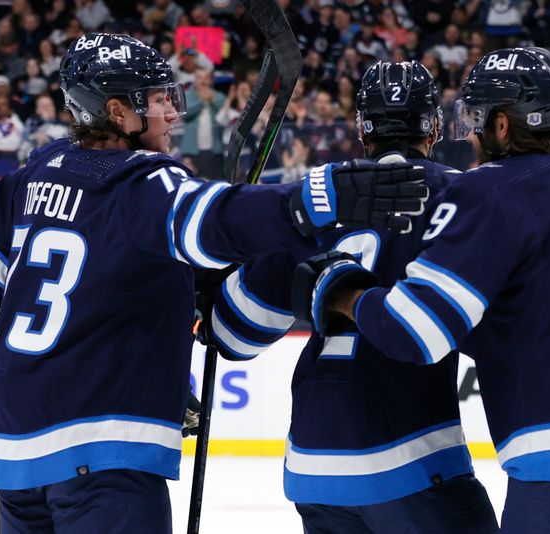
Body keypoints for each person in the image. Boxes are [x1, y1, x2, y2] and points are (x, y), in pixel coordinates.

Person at [0, 33, 427, 533]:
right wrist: (318, 199)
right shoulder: (141, 182)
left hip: (8, 444)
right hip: (100, 445)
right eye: (158, 100)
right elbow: (217, 221)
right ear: (117, 111)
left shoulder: (34, 173)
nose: (173, 113)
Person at [293, 47, 550, 532]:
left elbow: (415, 331)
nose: (472, 134)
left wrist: (344, 294)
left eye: (477, 118)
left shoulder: (491, 189)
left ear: (503, 125)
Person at [209, 60, 499, 533]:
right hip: (411, 451)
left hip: (315, 463)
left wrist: (225, 273)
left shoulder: (316, 197)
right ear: (435, 128)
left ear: (362, 129)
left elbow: (234, 334)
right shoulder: (462, 195)